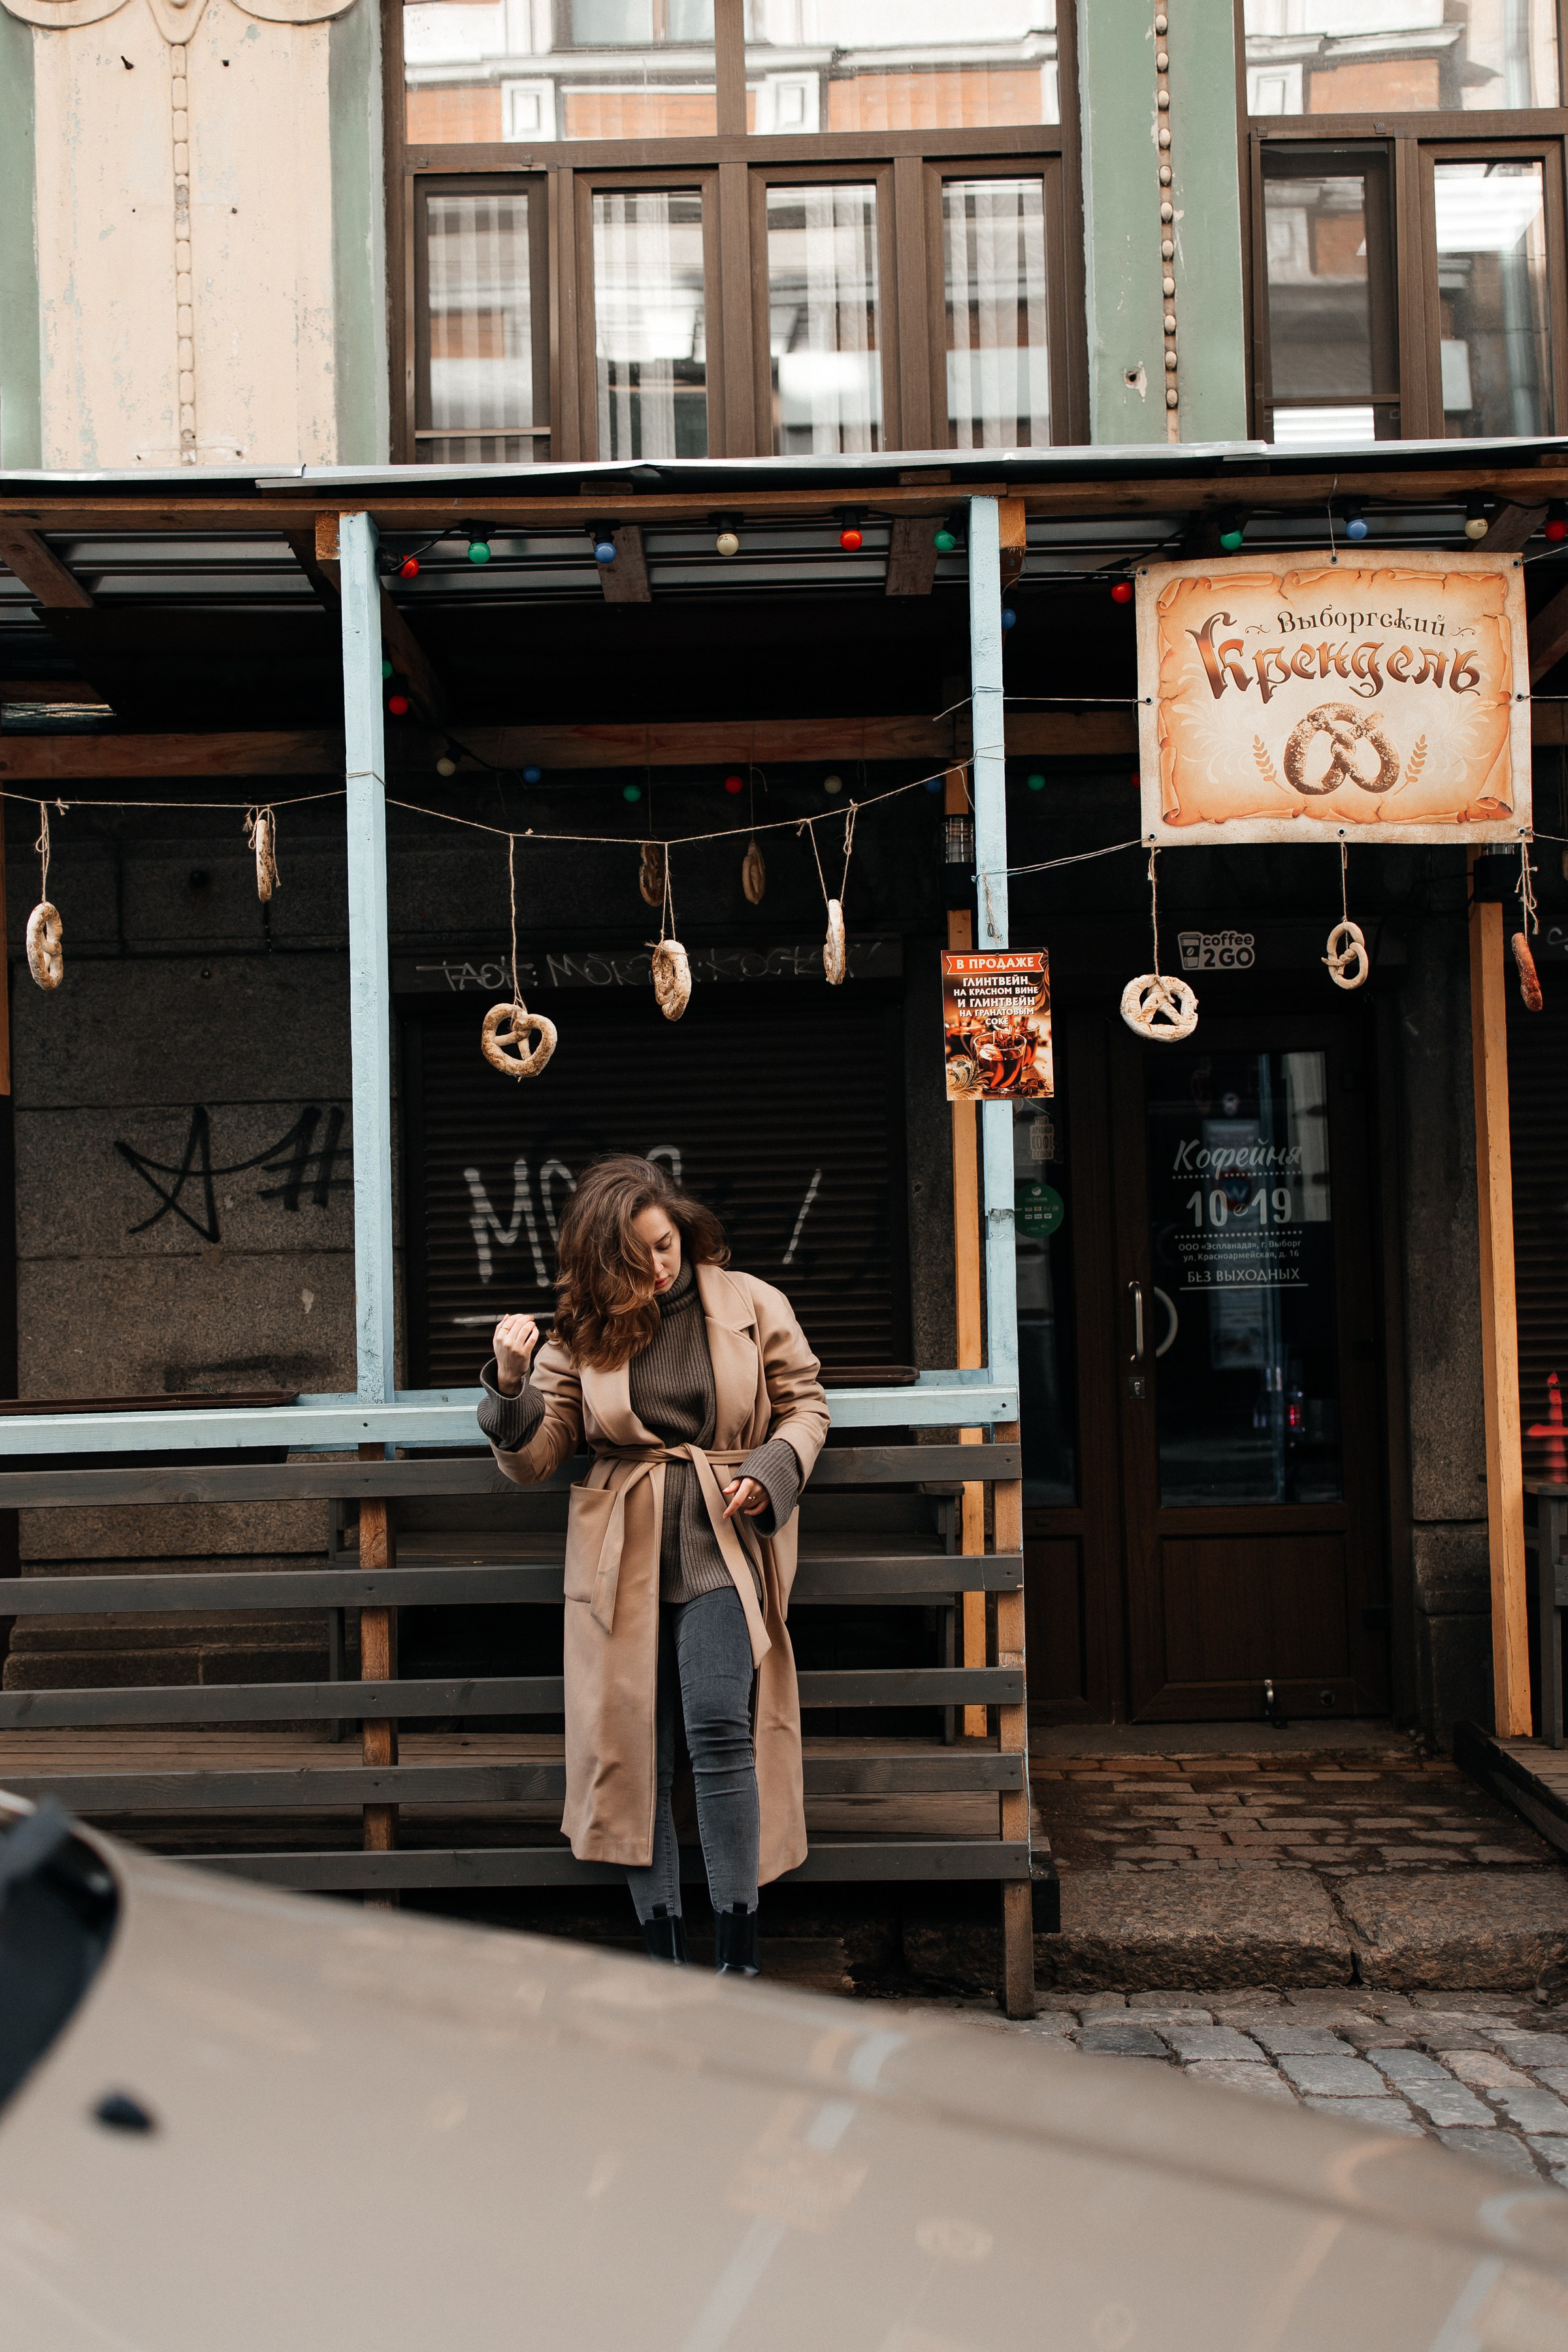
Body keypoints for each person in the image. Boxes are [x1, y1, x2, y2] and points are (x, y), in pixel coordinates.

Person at [478, 1154, 829, 1976]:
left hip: (721, 1542)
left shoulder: (751, 1302)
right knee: (635, 1747)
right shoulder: (583, 1329)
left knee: (718, 1723)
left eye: (667, 1244)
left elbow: (806, 1404)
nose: (661, 1266)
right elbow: (536, 1456)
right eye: (639, 1259)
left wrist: (770, 1471)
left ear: (683, 1229)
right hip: (622, 1555)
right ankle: (665, 1958)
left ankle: (738, 1956)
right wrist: (510, 1379)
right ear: (606, 1264)